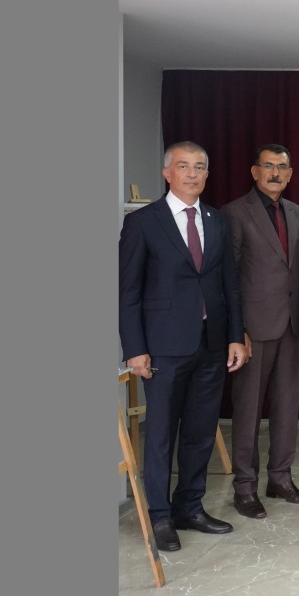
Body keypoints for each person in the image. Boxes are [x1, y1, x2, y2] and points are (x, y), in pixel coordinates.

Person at [118, 141, 249, 551]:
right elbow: (128, 292)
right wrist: (135, 348)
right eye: (183, 166)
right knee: (160, 435)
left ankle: (189, 507)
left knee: (200, 431)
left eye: (199, 167)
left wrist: (235, 335)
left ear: (207, 174)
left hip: (211, 344)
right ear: (167, 173)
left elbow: (229, 285)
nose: (192, 173)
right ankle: (160, 515)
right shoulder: (143, 222)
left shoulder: (216, 220)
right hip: (163, 347)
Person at [221, 144, 299, 517]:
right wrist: (236, 330)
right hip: (253, 331)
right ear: (254, 171)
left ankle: (280, 479)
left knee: (287, 407)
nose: (275, 173)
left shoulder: (296, 212)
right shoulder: (234, 213)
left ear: (290, 174)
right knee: (247, 411)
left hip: (291, 326)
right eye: (269, 166)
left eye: (282, 167)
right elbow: (229, 276)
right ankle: (245, 487)